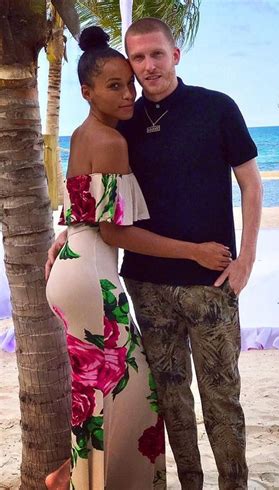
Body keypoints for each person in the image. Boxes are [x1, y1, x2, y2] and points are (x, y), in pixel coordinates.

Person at [45, 26, 231, 490]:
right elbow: (114, 229)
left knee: (96, 387)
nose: (129, 92)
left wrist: (64, 237)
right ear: (87, 93)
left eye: (129, 83)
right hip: (91, 273)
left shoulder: (86, 133)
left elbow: (84, 212)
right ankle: (83, 477)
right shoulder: (112, 141)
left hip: (77, 263)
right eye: (116, 85)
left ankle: (71, 474)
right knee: (131, 387)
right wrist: (195, 251)